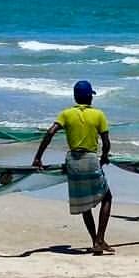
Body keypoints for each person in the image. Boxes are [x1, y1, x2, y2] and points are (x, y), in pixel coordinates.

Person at [33, 80, 113, 254]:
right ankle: (99, 239)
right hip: (91, 159)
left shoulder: (66, 114)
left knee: (84, 203)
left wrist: (38, 157)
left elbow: (50, 132)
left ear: (76, 97)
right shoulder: (99, 115)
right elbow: (106, 142)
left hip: (73, 161)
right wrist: (104, 157)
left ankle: (96, 240)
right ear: (90, 97)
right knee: (107, 198)